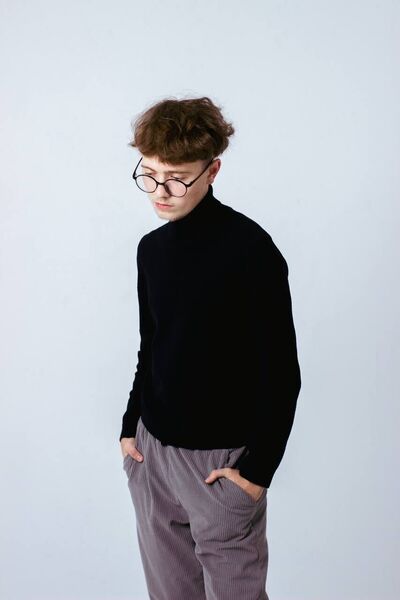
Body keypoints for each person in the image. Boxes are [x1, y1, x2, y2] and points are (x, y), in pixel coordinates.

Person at [119, 95, 301, 600]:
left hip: (220, 467)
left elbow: (282, 372)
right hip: (152, 456)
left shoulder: (251, 251)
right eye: (150, 174)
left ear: (212, 170)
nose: (161, 191)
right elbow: (152, 344)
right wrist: (130, 427)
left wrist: (257, 472)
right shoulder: (152, 250)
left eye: (177, 178)